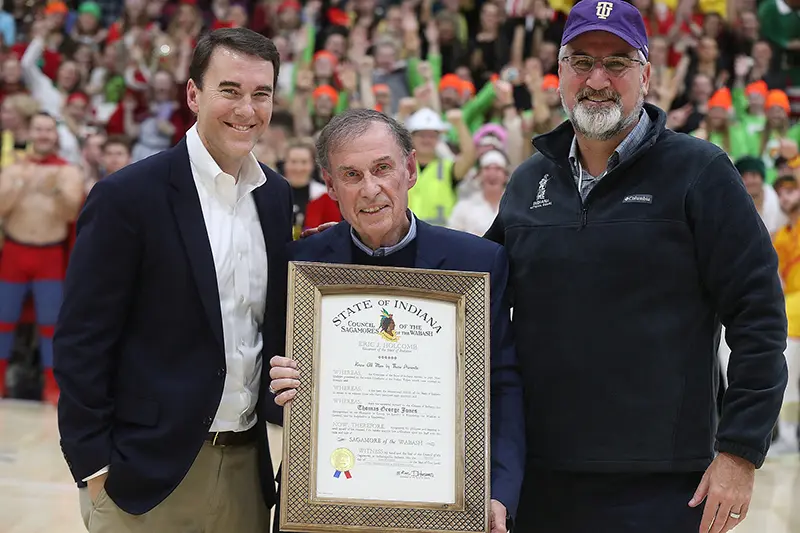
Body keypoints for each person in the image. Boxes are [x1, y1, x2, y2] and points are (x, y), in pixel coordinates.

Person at [483, 1, 789, 533]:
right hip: (543, 480)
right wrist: (361, 251)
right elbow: (472, 297)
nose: (597, 79)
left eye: (618, 62)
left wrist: (739, 452)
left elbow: (759, 317)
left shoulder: (701, 173)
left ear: (646, 75)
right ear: (559, 74)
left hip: (666, 486)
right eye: (581, 61)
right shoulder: (527, 181)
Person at [53, 28, 292, 533]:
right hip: (145, 475)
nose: (247, 109)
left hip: (248, 469)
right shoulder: (127, 197)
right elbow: (81, 340)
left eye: (261, 94)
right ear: (193, 94)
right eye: (229, 90)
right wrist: (95, 466)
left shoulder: (274, 197)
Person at [268, 108, 525, 533]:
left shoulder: (476, 264)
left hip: (442, 506)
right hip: (326, 506)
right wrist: (280, 388)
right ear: (330, 186)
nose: (370, 189)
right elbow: (270, 394)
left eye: (382, 168)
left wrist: (499, 490)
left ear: (409, 169)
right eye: (350, 175)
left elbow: (502, 384)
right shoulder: (301, 265)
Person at [0, 111, 84, 403]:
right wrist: (23, 184)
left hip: (49, 254)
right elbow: (2, 208)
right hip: (15, 251)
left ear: (56, 135)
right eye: (39, 130)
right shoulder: (13, 169)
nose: (44, 135)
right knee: (3, 320)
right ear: (30, 132)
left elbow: (71, 213)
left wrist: (57, 191)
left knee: (51, 324)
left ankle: (52, 387)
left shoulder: (68, 171)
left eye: (49, 130)